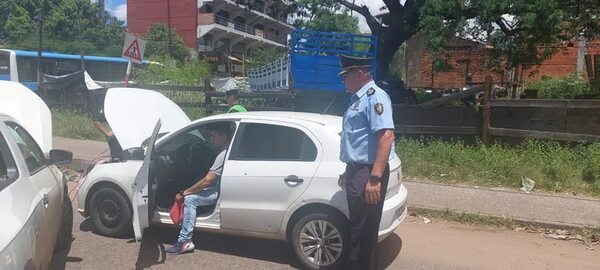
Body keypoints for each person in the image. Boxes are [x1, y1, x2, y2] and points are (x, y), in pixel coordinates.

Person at [338, 54, 395, 270]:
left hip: (368, 172)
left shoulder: (375, 97)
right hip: (358, 171)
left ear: (359, 74)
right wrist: (349, 171)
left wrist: (374, 178)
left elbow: (386, 136)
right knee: (358, 229)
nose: (343, 80)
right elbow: (357, 142)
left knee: (363, 231)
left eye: (346, 76)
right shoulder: (357, 100)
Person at [165, 123, 232, 254]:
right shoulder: (227, 150)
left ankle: (184, 241)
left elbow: (207, 180)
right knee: (196, 183)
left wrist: (184, 193)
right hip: (220, 186)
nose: (211, 139)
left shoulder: (223, 154)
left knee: (190, 199)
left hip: (219, 189)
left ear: (223, 136)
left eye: (213, 136)